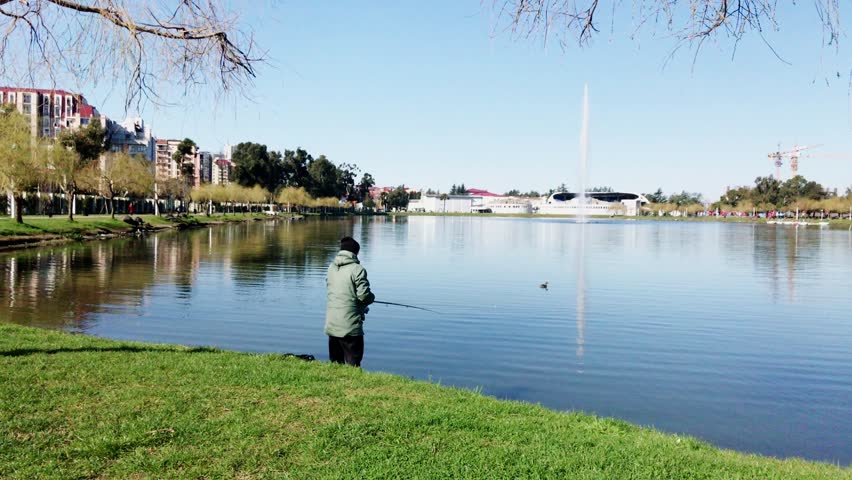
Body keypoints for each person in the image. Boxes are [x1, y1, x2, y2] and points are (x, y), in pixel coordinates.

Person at [325, 236, 375, 367]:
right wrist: (372, 298)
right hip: (350, 326)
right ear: (355, 253)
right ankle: (354, 386)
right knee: (353, 363)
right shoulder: (357, 269)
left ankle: (335, 384)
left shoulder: (331, 268)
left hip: (332, 323)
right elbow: (364, 296)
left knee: (336, 363)